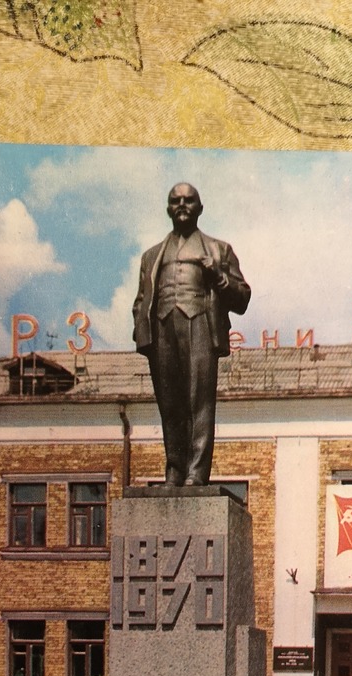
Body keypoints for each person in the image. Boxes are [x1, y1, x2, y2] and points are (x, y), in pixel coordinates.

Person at [133, 183, 250, 486]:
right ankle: (174, 469)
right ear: (168, 208)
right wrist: (141, 329)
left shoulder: (218, 249)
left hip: (200, 323)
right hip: (162, 328)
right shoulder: (151, 256)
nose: (182, 205)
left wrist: (219, 277)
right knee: (169, 402)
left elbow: (243, 299)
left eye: (189, 200)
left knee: (199, 401)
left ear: (200, 207)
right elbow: (142, 299)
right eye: (175, 201)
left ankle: (196, 473)